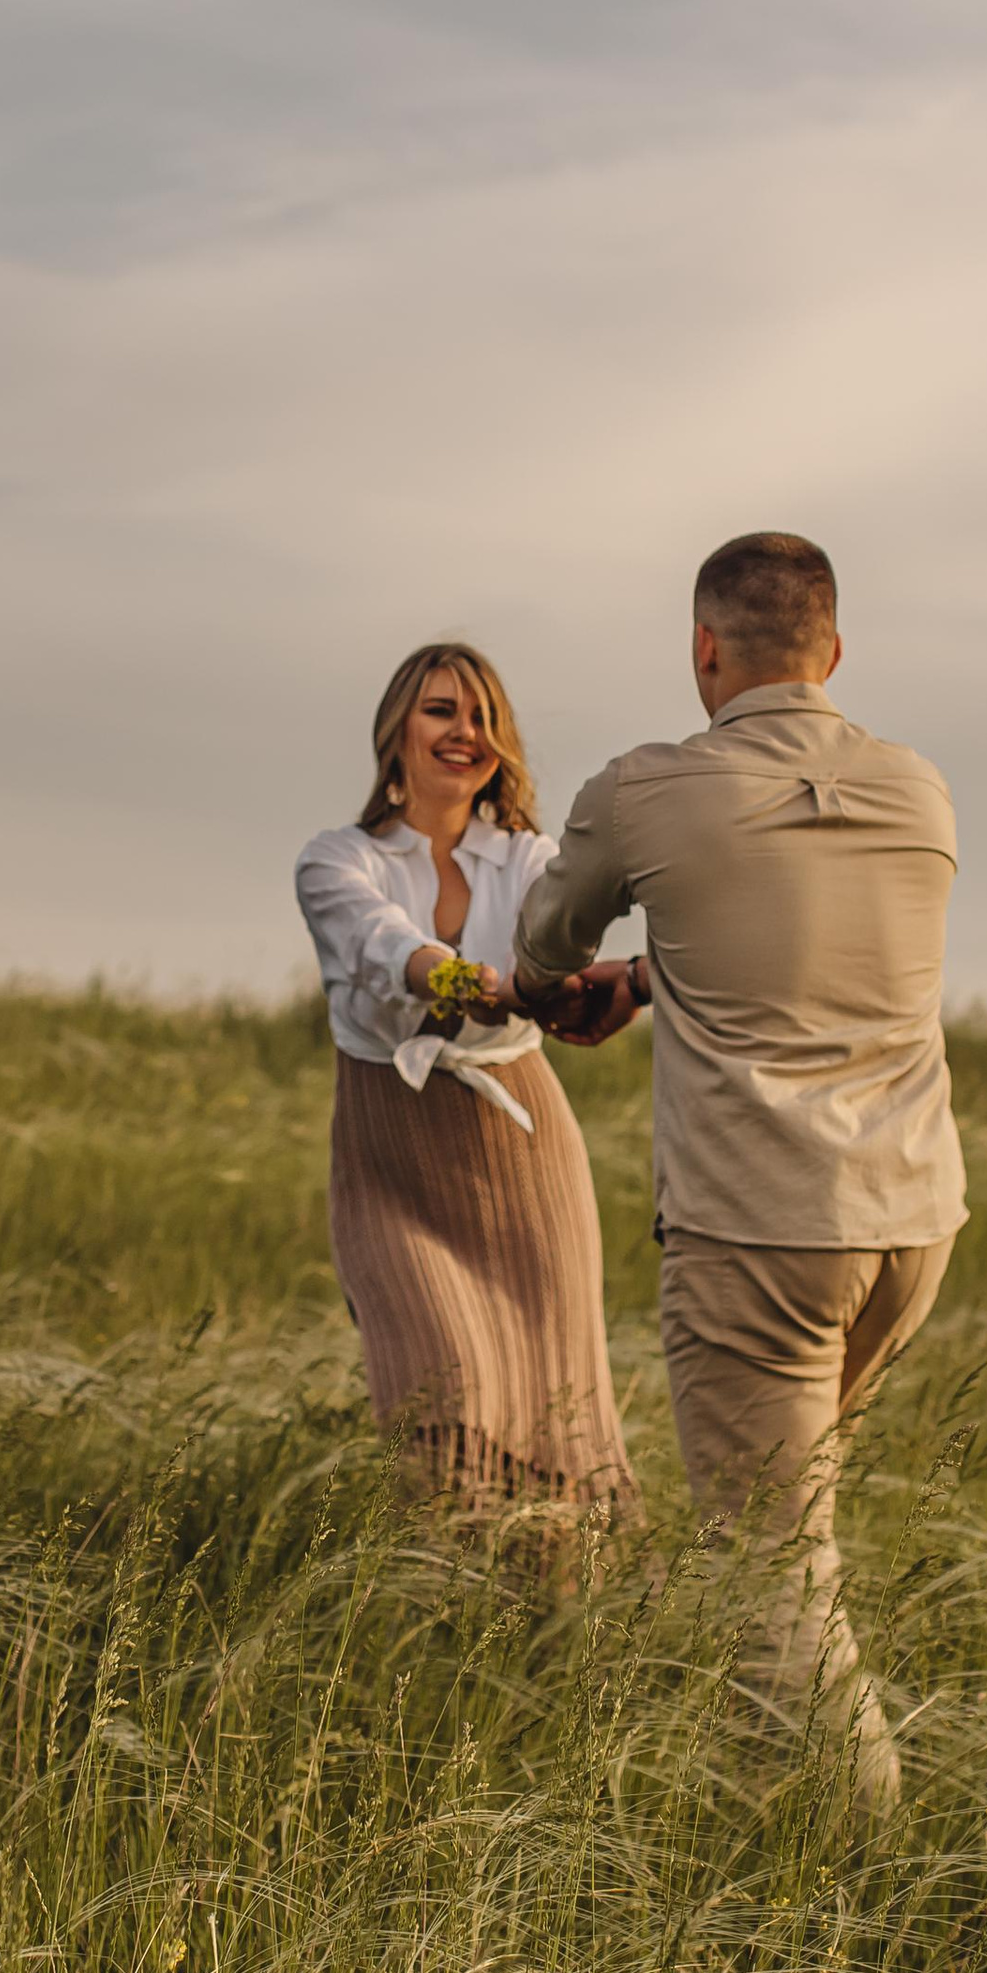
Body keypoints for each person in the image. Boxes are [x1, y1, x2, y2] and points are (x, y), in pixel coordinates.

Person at [512, 534, 964, 1799]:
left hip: (759, 1231)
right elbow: (794, 951)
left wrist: (589, 984)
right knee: (794, 1547)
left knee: (768, 1572)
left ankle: (856, 1852)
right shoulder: (916, 790)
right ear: (834, 651)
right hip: (910, 1228)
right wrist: (657, 976)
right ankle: (761, 1802)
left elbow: (543, 951)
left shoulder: (647, 789)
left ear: (703, 650)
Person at [295, 645, 635, 1515]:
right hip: (391, 1151)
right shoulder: (338, 860)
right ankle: (441, 1576)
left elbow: (559, 950)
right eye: (441, 710)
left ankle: (556, 1584)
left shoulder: (529, 859)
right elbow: (382, 945)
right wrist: (474, 983)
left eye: (482, 717)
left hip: (521, 1144)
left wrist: (585, 987)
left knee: (552, 1397)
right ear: (397, 728)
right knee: (438, 1383)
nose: (464, 733)